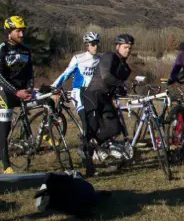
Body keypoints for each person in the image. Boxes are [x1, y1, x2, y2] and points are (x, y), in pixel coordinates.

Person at [81, 34, 134, 168]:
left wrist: (120, 89)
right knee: (91, 128)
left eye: (130, 47)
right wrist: (120, 84)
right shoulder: (109, 56)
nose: (128, 50)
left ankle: (93, 145)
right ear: (117, 46)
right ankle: (88, 164)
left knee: (114, 128)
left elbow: (116, 85)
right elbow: (106, 76)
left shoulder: (126, 68)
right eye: (125, 47)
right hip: (92, 95)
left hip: (105, 98)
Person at [0, 16, 33, 174]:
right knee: (5, 127)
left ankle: (46, 135)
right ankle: (6, 165)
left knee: (48, 103)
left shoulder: (26, 49)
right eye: (18, 31)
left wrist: (30, 87)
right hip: (4, 91)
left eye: (23, 31)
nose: (21, 34)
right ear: (9, 32)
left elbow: (30, 72)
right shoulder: (1, 49)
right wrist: (16, 91)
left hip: (22, 91)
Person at [51, 32, 101, 128]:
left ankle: (92, 138)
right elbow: (66, 74)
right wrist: (54, 85)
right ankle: (86, 142)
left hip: (92, 92)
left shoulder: (100, 59)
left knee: (95, 119)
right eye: (93, 44)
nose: (96, 47)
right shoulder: (78, 58)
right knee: (84, 118)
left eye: (97, 44)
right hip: (78, 91)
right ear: (87, 45)